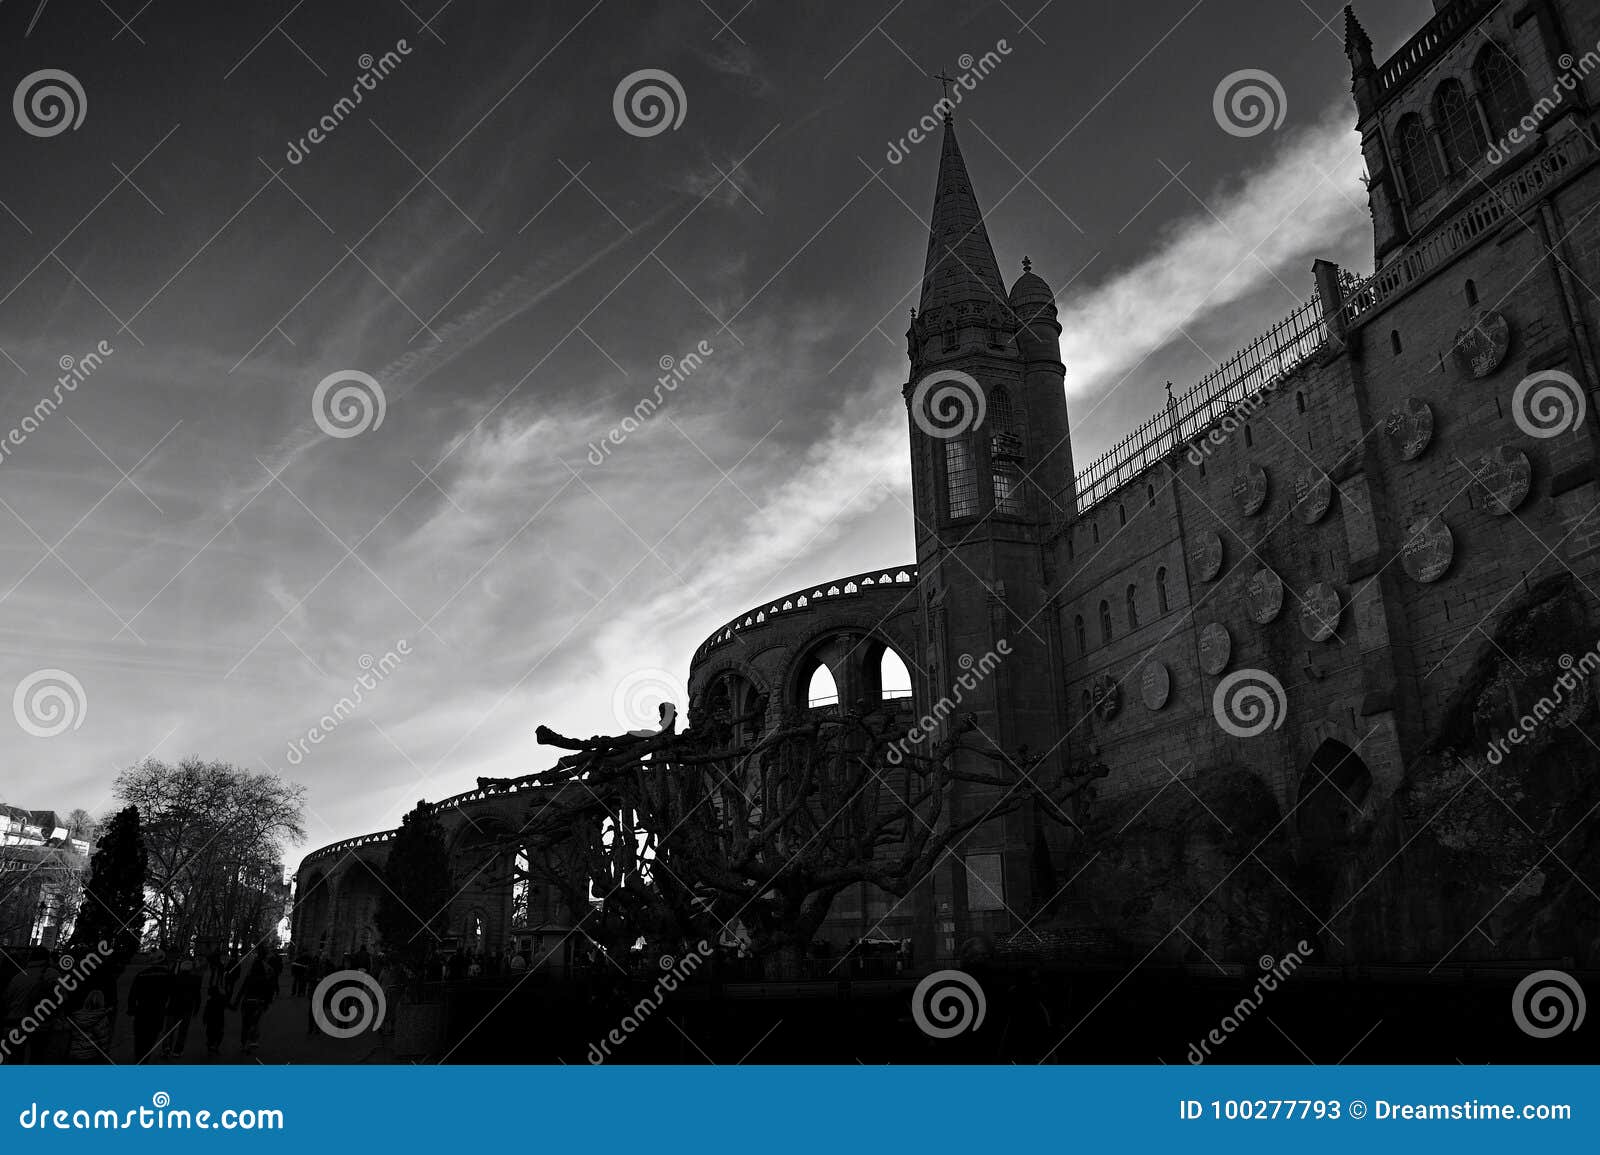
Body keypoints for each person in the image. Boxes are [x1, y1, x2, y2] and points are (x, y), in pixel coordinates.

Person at [126, 953, 172, 1063]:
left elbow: (133, 994)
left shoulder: (141, 974)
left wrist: (131, 1009)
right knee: (151, 1039)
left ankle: (138, 1059)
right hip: (157, 1011)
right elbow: (173, 993)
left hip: (142, 1010)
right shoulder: (169, 975)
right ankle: (144, 1060)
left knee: (139, 1039)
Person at [161, 958, 201, 1058]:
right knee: (183, 1031)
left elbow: (167, 992)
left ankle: (166, 1048)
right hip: (187, 1008)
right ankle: (177, 1050)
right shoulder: (195, 980)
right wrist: (196, 1010)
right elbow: (197, 996)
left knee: (169, 1029)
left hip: (173, 1007)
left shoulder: (174, 978)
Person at [66, 986, 115, 1063]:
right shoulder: (100, 1018)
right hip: (91, 1056)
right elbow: (103, 1041)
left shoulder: (76, 1016)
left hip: (74, 1054)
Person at [236, 957, 272, 1054]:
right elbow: (267, 992)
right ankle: (251, 1041)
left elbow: (241, 991)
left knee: (245, 1024)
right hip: (257, 1003)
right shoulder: (264, 978)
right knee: (254, 1023)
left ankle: (244, 1044)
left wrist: (236, 1003)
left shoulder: (249, 977)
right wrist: (266, 1003)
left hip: (247, 1002)